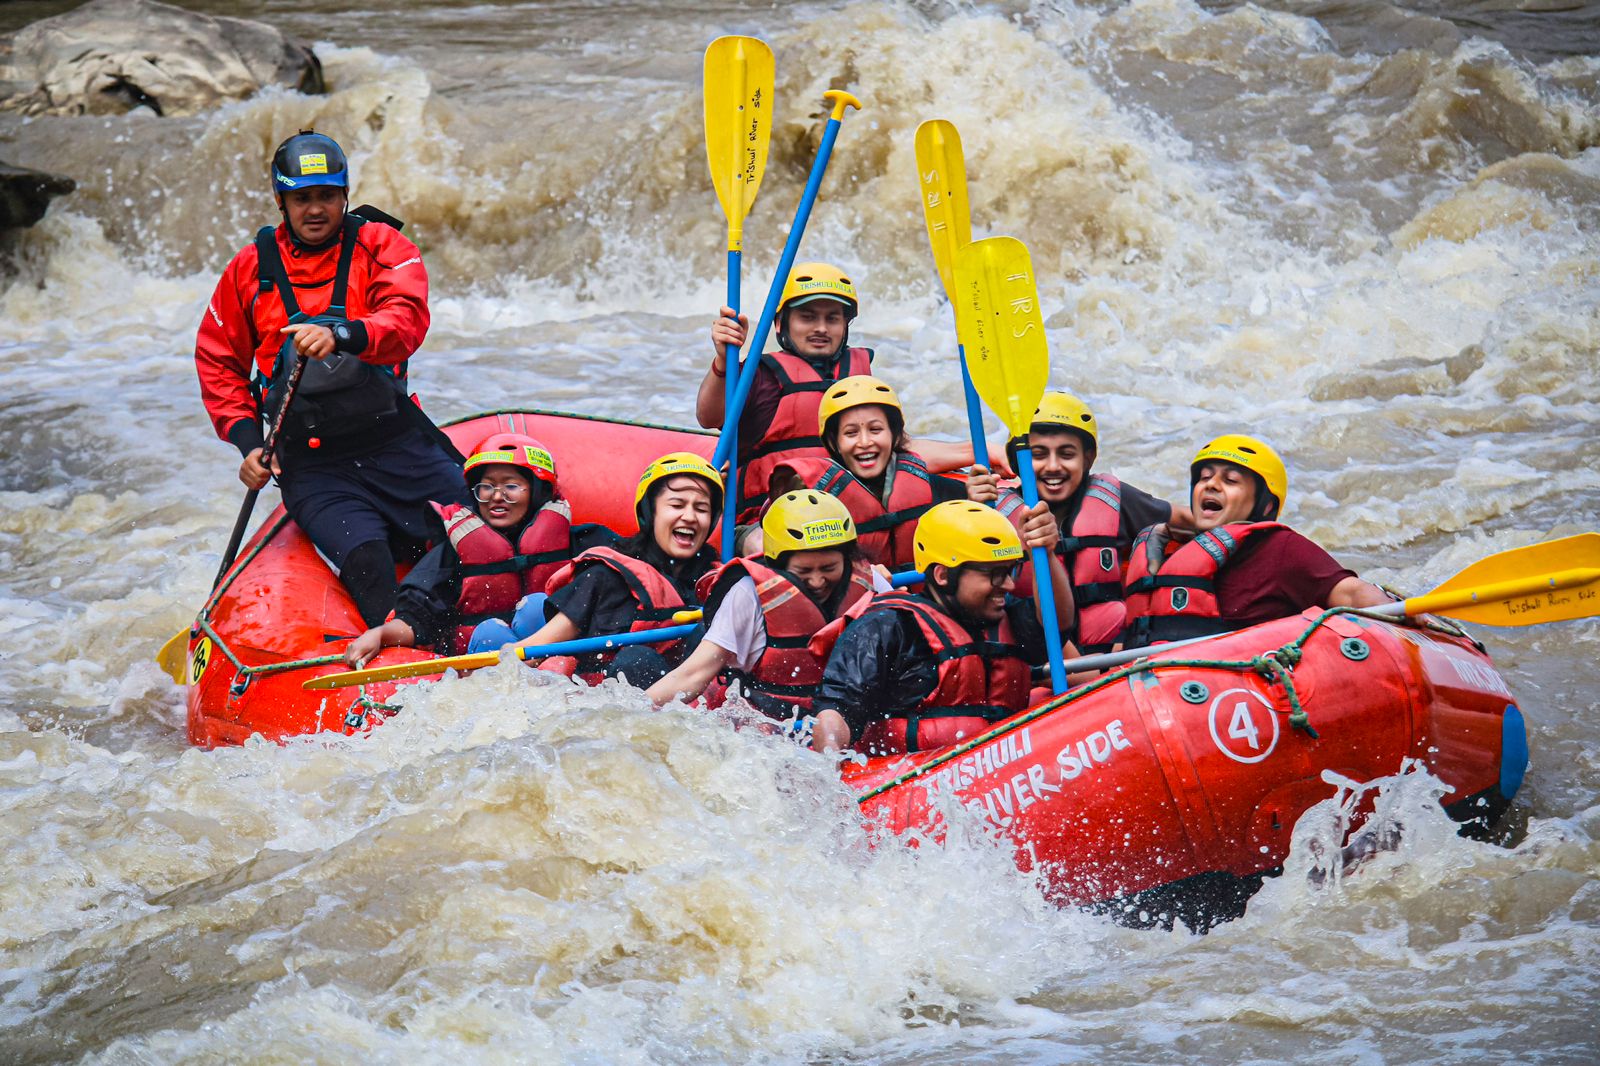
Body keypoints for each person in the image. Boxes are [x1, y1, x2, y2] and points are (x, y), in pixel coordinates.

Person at [194, 129, 470, 627]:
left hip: (396, 442)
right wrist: (248, 442)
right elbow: (218, 360)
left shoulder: (383, 245)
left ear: (345, 195)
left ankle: (463, 627)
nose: (315, 209)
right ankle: (409, 653)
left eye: (327, 196)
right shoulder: (250, 267)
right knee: (368, 561)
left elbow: (406, 319)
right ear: (282, 201)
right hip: (314, 463)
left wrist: (344, 334)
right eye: (302, 198)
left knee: (478, 532)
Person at [697, 262, 998, 516]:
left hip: (847, 517)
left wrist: (980, 452)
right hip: (770, 519)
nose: (821, 328)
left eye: (833, 318)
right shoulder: (759, 376)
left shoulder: (860, 379)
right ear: (779, 324)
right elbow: (709, 417)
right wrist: (724, 360)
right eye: (808, 317)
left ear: (845, 326)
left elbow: (898, 450)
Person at [808, 499, 1075, 756]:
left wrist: (1046, 552)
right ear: (943, 575)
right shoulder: (887, 626)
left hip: (1004, 772)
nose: (1007, 585)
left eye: (1010, 571)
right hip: (912, 781)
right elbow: (836, 710)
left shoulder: (1008, 617)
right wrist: (831, 778)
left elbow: (1057, 625)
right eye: (993, 574)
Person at [341, 434, 600, 668]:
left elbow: (617, 582)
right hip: (484, 664)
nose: (496, 496)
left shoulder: (580, 543)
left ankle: (546, 674)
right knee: (491, 633)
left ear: (537, 491)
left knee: (536, 608)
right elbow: (417, 619)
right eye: (486, 487)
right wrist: (379, 634)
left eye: (511, 486)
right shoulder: (454, 554)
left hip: (561, 662)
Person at [967, 392, 1192, 654]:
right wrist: (974, 510)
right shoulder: (995, 512)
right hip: (1041, 657)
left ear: (1087, 458)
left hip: (1115, 649)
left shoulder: (1112, 498)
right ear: (1018, 461)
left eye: (1066, 454)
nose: (1053, 466)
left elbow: (1188, 520)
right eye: (1038, 454)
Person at [1120, 434, 1390, 648]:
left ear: (1265, 506)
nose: (1211, 485)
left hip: (1241, 691)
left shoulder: (1280, 548)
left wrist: (1397, 612)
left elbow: (1351, 593)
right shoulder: (1168, 555)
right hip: (1155, 691)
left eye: (1231, 480)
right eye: (1204, 478)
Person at [645, 489, 887, 717]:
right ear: (777, 564)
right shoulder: (748, 594)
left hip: (846, 719)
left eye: (829, 568)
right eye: (803, 570)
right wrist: (631, 714)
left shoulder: (870, 581)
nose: (816, 581)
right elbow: (693, 674)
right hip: (767, 725)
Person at [519, 452, 722, 687]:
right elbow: (537, 647)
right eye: (676, 505)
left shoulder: (718, 585)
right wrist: (501, 660)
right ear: (650, 513)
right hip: (607, 703)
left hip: (689, 704)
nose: (690, 517)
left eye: (701, 508)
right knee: (636, 661)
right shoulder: (604, 576)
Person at [754, 375, 967, 570]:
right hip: (858, 601)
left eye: (875, 430)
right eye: (851, 433)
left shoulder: (927, 485)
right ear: (833, 442)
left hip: (921, 596)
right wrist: (862, 577)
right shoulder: (813, 498)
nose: (865, 442)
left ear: (894, 435)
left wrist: (977, 500)